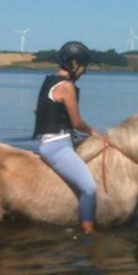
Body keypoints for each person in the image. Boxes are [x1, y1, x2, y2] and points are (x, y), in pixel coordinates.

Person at [32, 41, 102, 234]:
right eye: (83, 66)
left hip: (56, 140)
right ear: (73, 62)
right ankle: (88, 229)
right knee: (89, 188)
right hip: (57, 147)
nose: (84, 71)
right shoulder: (66, 87)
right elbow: (77, 122)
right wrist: (93, 132)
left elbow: (39, 109)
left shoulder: (49, 81)